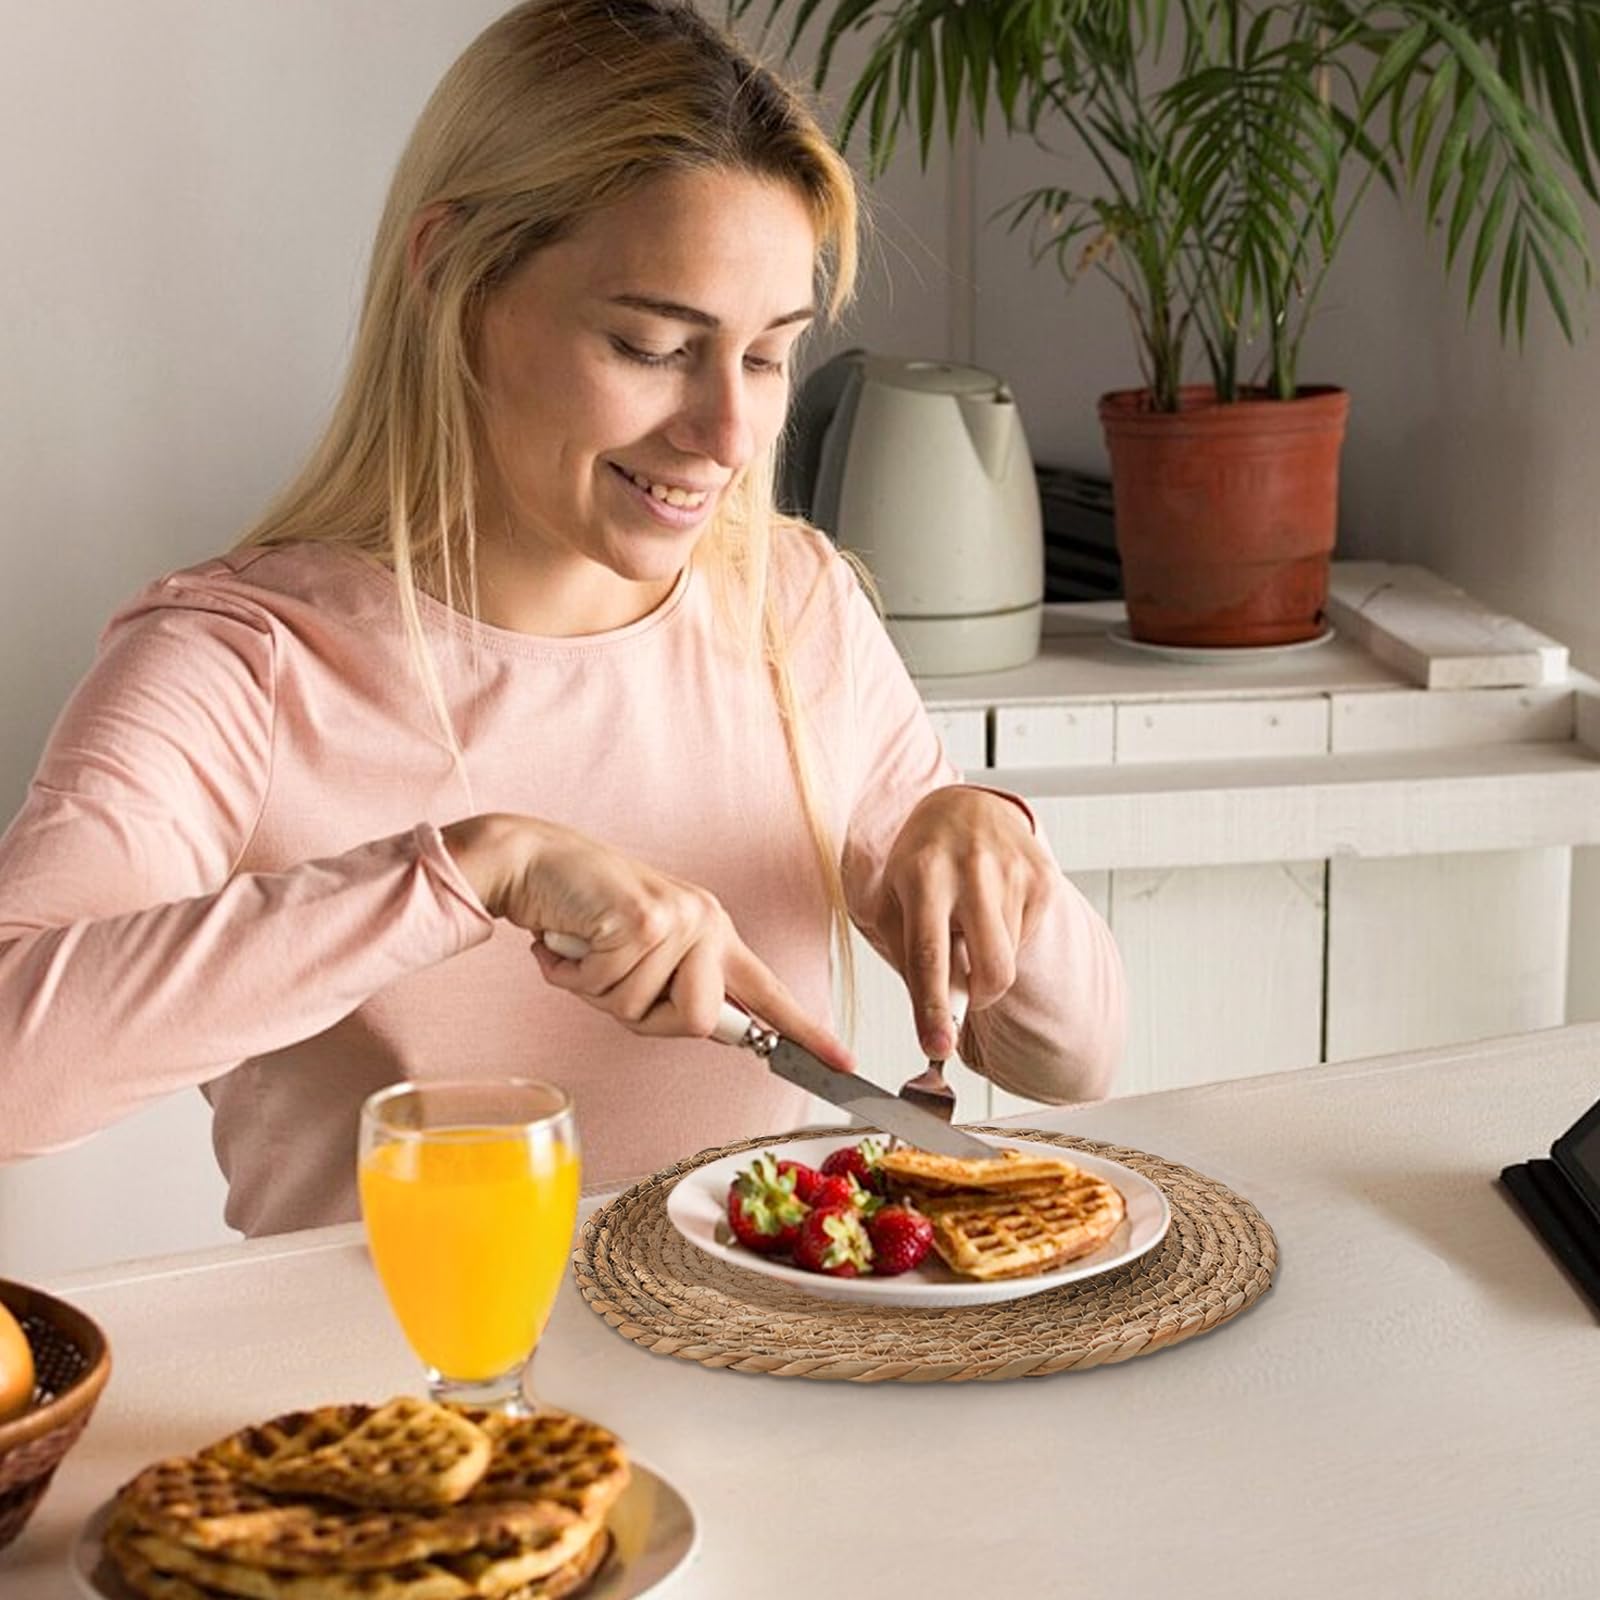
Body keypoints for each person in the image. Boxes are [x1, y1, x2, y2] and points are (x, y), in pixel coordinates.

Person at [0, 0, 1124, 1236]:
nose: (730, 438)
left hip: (774, 1387)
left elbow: (1070, 1062)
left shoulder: (791, 604)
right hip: (406, 1412)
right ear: (454, 279)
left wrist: (991, 847)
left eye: (763, 357)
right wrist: (476, 868)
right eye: (652, 345)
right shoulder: (236, 662)